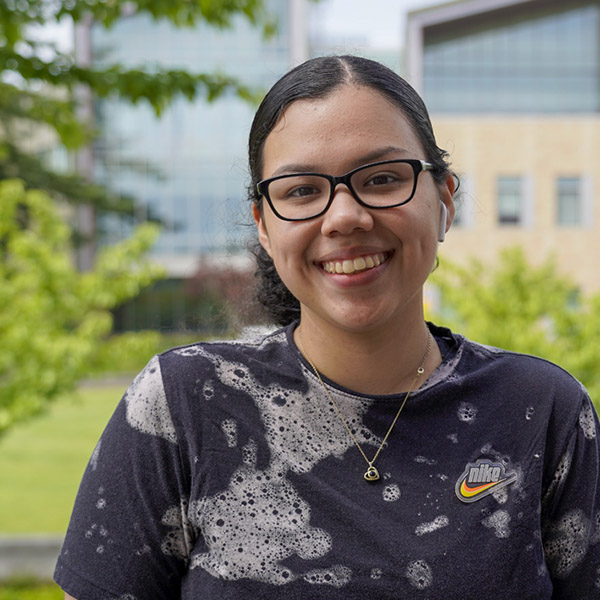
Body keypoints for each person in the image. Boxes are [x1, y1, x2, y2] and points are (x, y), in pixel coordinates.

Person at [55, 55, 600, 599]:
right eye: (301, 190)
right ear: (264, 226)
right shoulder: (182, 404)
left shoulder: (541, 410)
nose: (344, 216)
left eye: (383, 179)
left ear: (445, 200)